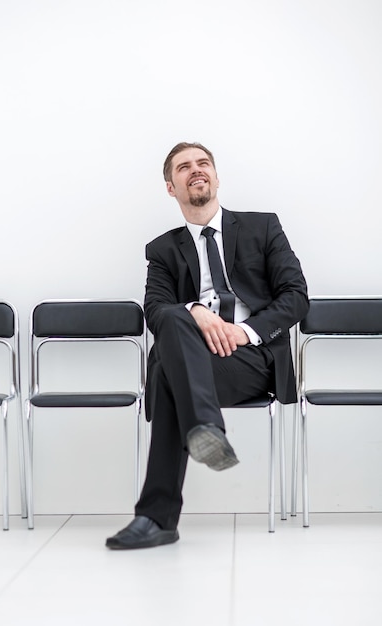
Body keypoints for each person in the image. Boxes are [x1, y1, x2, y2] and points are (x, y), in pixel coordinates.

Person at [106, 142, 309, 550]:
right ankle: (206, 427)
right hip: (195, 356)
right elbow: (155, 311)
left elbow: (296, 296)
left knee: (165, 375)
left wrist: (244, 332)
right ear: (171, 187)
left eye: (203, 163)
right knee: (174, 320)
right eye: (184, 167)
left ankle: (156, 518)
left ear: (215, 176)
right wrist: (196, 310)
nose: (195, 170)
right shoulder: (162, 250)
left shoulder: (262, 227)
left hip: (252, 357)